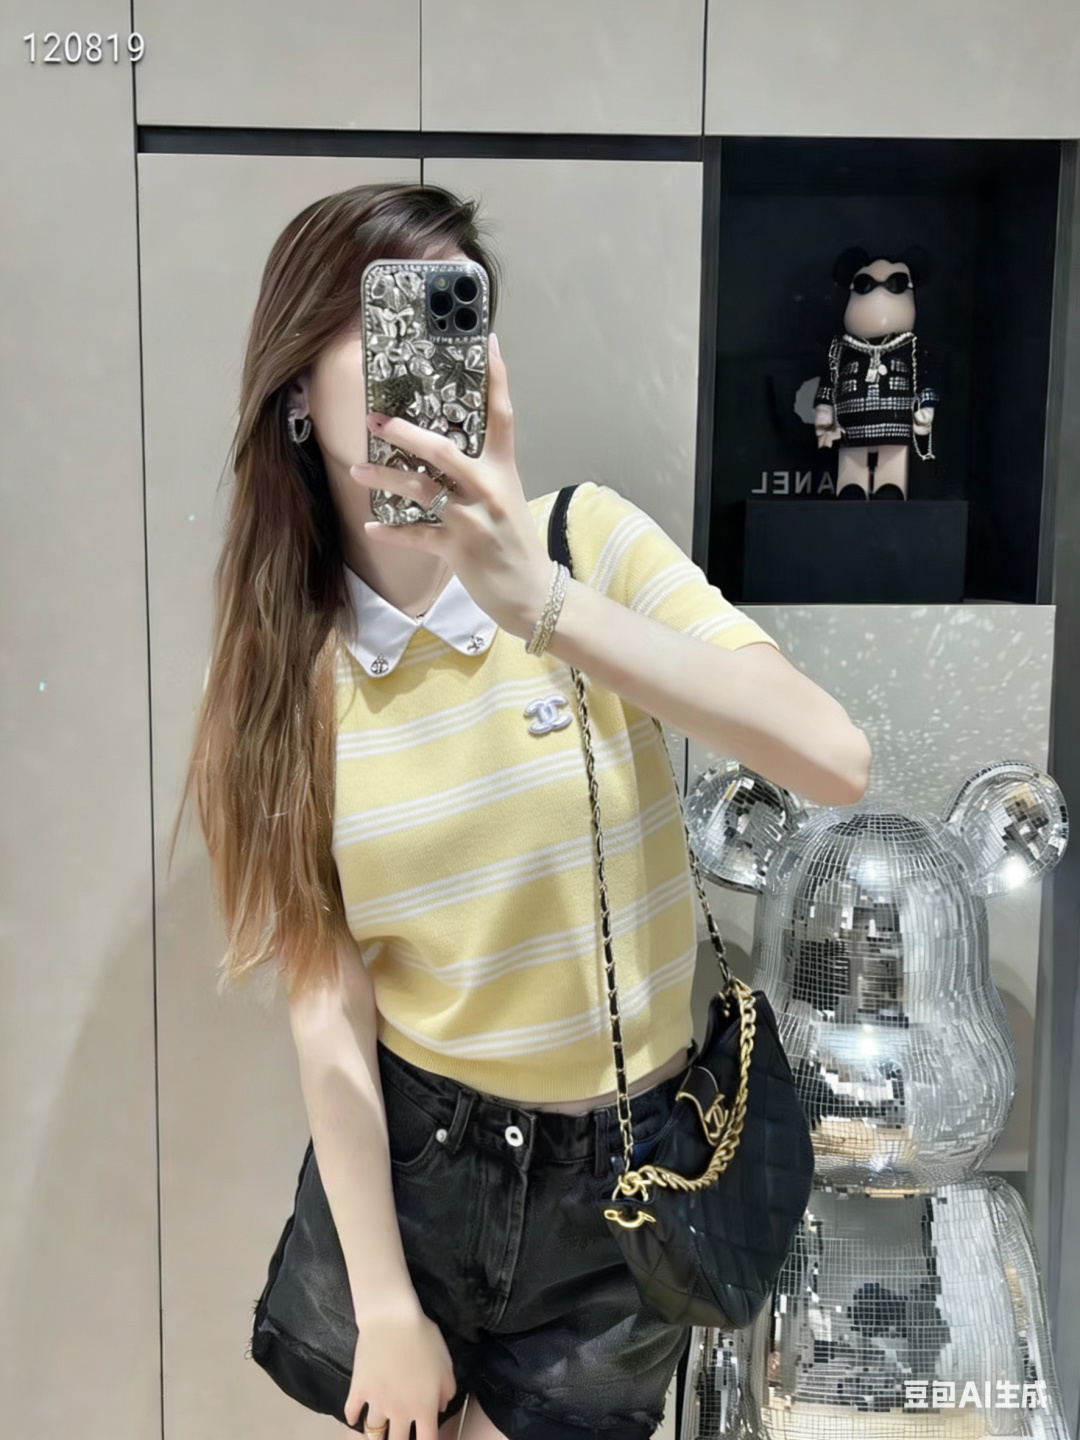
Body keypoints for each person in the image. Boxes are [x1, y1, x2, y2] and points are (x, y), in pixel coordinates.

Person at [172, 183, 871, 1440]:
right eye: (386, 320)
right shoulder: (289, 667)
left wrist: (539, 604)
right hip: (416, 1173)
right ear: (297, 388)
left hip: (627, 1188)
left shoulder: (587, 547)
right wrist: (384, 1303)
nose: (428, 361)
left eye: (458, 315)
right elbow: (327, 999)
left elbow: (833, 760)